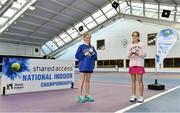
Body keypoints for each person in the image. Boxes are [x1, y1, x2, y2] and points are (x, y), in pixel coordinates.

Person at [75, 32, 97, 103]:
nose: (88, 39)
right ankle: (80, 96)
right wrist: (84, 54)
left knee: (88, 81)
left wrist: (93, 54)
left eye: (89, 37)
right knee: (82, 80)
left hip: (90, 66)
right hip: (83, 66)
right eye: (87, 37)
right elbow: (77, 56)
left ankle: (87, 95)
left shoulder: (92, 47)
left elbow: (96, 57)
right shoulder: (81, 46)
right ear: (84, 38)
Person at [128, 31, 146, 103]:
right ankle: (133, 96)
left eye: (136, 36)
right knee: (133, 81)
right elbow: (128, 56)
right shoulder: (129, 45)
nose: (135, 37)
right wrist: (131, 53)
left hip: (139, 64)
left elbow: (144, 54)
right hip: (132, 64)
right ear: (132, 37)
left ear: (138, 37)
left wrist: (137, 53)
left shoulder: (142, 44)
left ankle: (141, 96)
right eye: (133, 36)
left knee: (140, 81)